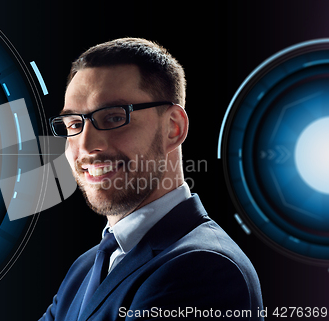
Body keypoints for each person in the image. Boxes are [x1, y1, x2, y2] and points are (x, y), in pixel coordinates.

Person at [41, 38, 263, 321]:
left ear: (173, 128)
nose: (85, 145)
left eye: (112, 118)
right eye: (74, 124)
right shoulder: (84, 269)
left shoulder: (203, 267)